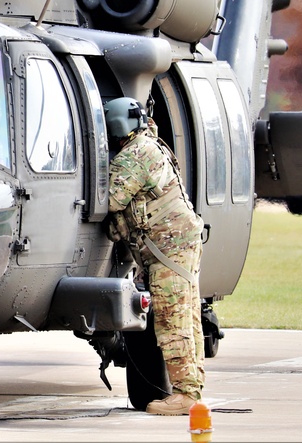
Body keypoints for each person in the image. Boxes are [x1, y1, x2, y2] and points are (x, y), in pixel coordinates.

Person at [103, 97, 205, 416]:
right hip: (176, 244)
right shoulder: (149, 143)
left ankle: (186, 395)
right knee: (187, 316)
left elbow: (107, 199)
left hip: (168, 247)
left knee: (173, 320)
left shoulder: (134, 155)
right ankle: (191, 389)